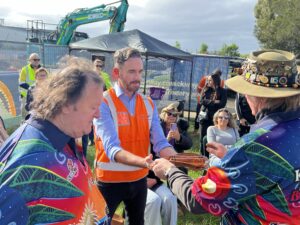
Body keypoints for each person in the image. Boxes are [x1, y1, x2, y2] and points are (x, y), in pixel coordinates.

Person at [151, 49, 300, 224]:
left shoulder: (255, 146)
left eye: (246, 91)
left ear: (256, 96)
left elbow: (199, 200)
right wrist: (231, 158)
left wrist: (169, 171)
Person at [0, 56, 109, 224]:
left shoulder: (67, 133)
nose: (98, 114)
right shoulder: (27, 160)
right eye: (93, 107)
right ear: (65, 104)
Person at [93, 47, 177, 225]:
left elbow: (160, 143)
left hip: (138, 180)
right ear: (117, 73)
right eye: (131, 71)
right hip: (109, 181)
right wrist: (145, 163)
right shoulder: (103, 102)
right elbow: (112, 149)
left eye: (140, 71)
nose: (137, 77)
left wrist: (181, 160)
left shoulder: (148, 103)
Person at [198, 70, 227, 156]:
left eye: (210, 80)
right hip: (204, 117)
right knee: (202, 138)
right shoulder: (206, 89)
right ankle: (202, 156)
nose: (208, 82)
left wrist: (211, 102)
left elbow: (222, 104)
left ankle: (212, 156)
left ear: (215, 81)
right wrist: (214, 102)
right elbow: (202, 101)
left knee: (212, 138)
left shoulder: (223, 91)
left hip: (215, 118)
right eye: (208, 80)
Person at [194, 69, 225, 133]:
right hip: (203, 108)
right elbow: (200, 92)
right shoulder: (205, 79)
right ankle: (196, 129)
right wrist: (214, 101)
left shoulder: (222, 83)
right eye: (215, 75)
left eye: (218, 75)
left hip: (214, 112)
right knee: (198, 116)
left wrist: (209, 101)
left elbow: (221, 102)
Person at [19, 53, 41, 117]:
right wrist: (32, 89)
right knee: (25, 112)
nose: (37, 61)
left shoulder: (42, 70)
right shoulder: (25, 69)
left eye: (38, 60)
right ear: (30, 60)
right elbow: (21, 83)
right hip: (26, 95)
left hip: (39, 95)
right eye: (35, 60)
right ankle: (23, 124)